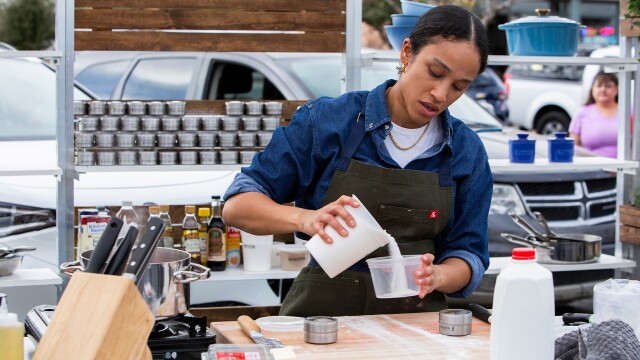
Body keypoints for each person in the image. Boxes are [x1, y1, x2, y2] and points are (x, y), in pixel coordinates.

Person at [222, 5, 492, 317]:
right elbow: (237, 206)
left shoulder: (466, 151)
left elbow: (468, 253)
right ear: (407, 53)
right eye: (436, 72)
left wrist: (440, 276)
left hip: (417, 326)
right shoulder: (328, 122)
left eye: (460, 86)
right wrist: (305, 219)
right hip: (320, 322)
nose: (441, 94)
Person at [569, 71, 619, 158]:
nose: (603, 89)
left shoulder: (628, 111)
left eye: (608, 86)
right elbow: (573, 147)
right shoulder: (582, 112)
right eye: (599, 85)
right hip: (592, 169)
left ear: (616, 89)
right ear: (592, 88)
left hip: (625, 168)